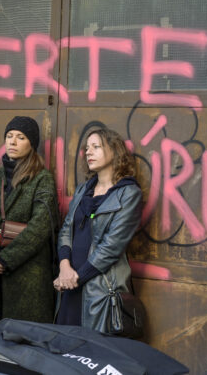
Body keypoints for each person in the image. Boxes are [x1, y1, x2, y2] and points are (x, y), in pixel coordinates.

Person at [53, 127, 142, 332]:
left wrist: (75, 278)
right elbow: (67, 229)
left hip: (98, 290)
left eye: (96, 147)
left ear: (114, 151)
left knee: (91, 355)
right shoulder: (84, 189)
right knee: (65, 350)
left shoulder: (129, 193)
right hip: (70, 284)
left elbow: (111, 247)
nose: (88, 152)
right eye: (87, 148)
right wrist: (65, 267)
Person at [0, 116, 58, 332]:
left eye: (20, 137)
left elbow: (41, 226)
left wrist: (5, 260)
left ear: (32, 144)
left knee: (23, 341)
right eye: (9, 136)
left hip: (26, 274)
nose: (12, 142)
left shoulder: (42, 178)